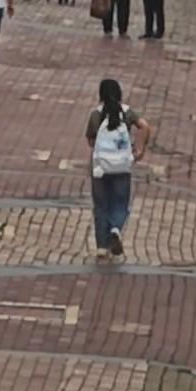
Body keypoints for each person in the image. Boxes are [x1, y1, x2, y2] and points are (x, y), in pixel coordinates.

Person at [85, 77, 151, 261]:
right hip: (122, 166)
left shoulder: (96, 115)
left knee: (101, 205)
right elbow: (144, 126)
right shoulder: (127, 113)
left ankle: (101, 246)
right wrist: (140, 149)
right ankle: (115, 229)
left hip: (100, 168)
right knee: (120, 202)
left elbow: (90, 139)